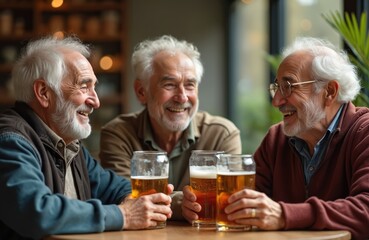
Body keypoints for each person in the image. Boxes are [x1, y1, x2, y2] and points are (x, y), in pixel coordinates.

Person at [182, 36, 369, 240]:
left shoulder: (363, 132)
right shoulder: (276, 139)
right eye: (276, 87)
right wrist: (196, 205)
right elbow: (242, 207)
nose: (277, 101)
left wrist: (284, 215)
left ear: (329, 92)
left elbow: (365, 209)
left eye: (288, 87)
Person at [0, 36, 173, 240]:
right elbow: (35, 211)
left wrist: (141, 200)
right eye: (84, 86)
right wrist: (124, 215)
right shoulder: (10, 140)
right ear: (44, 93)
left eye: (94, 87)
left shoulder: (69, 144)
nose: (96, 101)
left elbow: (113, 187)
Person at [99, 35, 242, 219]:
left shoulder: (222, 134)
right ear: (142, 92)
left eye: (190, 85)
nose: (182, 97)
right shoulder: (118, 134)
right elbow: (125, 199)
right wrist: (179, 203)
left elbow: (228, 200)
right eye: (169, 85)